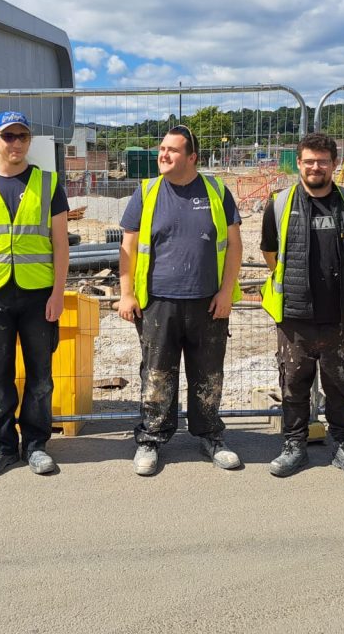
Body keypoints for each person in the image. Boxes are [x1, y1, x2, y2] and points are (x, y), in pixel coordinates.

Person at [118, 124, 243, 476]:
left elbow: (235, 245)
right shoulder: (146, 192)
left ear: (192, 157)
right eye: (162, 148)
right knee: (157, 375)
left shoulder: (216, 191)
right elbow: (127, 247)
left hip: (208, 303)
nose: (163, 154)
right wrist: (127, 294)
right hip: (158, 303)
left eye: (172, 150)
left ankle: (210, 436)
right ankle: (151, 439)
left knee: (208, 375)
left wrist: (225, 292)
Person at [0, 111, 70, 478]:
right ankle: (3, 448)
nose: (16, 143)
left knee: (41, 376)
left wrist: (58, 294)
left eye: (22, 136)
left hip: (38, 295)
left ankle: (36, 445)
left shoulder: (48, 183)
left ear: (29, 141)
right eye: (8, 136)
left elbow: (60, 244)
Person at [260, 132, 344, 481]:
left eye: (323, 161)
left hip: (341, 318)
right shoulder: (280, 204)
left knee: (341, 385)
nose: (315, 167)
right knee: (293, 384)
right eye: (309, 160)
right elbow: (269, 254)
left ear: (334, 164)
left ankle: (343, 446)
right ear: (299, 163)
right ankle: (294, 445)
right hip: (294, 318)